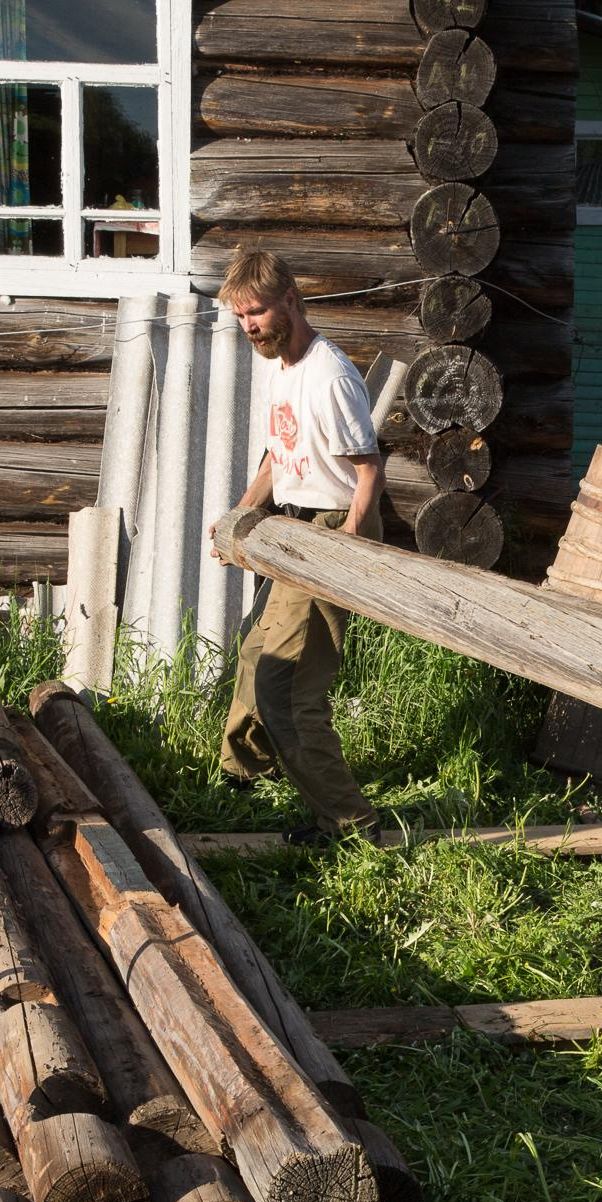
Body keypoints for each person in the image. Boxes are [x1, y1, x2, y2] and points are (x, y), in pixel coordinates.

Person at [210, 247, 388, 846]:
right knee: (254, 652)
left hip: (334, 527)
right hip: (294, 526)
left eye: (256, 312)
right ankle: (240, 777)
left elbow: (369, 470)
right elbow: (277, 459)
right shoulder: (281, 367)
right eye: (240, 317)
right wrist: (238, 518)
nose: (248, 326)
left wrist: (348, 549)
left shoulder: (329, 375)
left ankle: (352, 827)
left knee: (285, 688)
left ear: (290, 299)